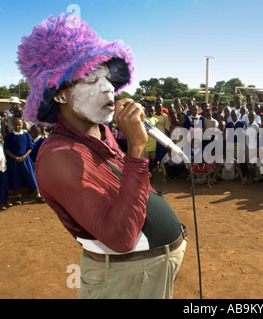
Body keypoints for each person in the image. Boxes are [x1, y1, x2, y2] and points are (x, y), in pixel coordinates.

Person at [17, 13, 186, 299]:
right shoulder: (59, 156)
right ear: (59, 95)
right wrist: (135, 149)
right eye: (92, 78)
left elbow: (121, 188)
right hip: (124, 279)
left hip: (150, 271)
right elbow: (120, 238)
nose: (108, 87)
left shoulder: (100, 131)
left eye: (108, 78)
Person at [4, 118, 45, 205]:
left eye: (19, 124)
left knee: (30, 176)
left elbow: (30, 147)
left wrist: (24, 156)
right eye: (15, 124)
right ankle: (18, 196)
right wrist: (15, 157)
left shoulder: (26, 135)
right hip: (13, 161)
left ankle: (38, 194)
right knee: (16, 177)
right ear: (13, 125)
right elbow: (6, 149)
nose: (17, 126)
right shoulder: (9, 136)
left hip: (25, 159)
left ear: (22, 125)